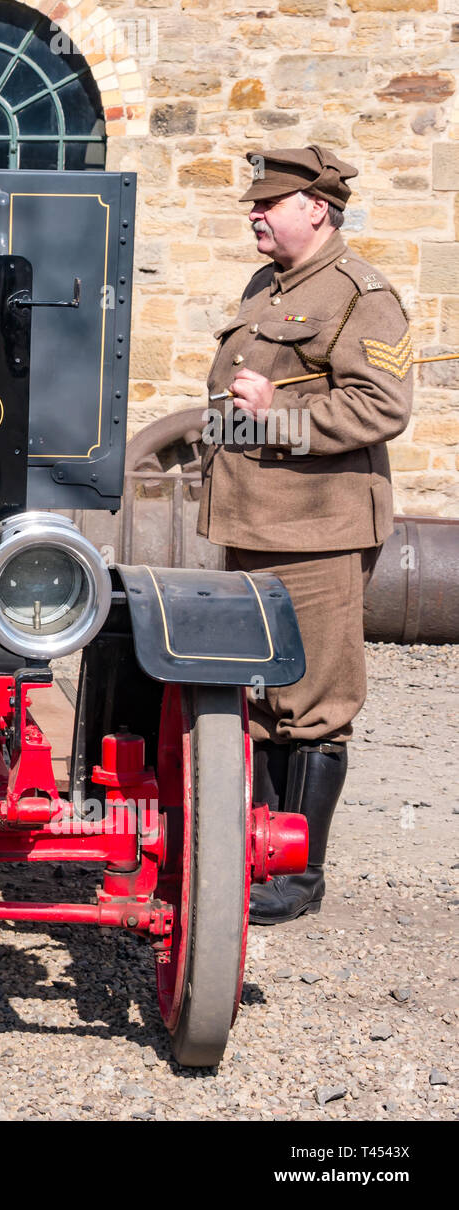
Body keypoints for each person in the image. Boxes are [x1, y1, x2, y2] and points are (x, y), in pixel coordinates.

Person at [197, 145, 413, 924]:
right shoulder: (270, 285)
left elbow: (380, 407)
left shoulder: (362, 294)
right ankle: (249, 853)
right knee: (253, 696)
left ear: (315, 208)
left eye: (270, 203)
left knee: (314, 702)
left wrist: (277, 419)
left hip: (318, 527)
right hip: (253, 518)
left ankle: (297, 875)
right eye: (255, 202)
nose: (255, 212)